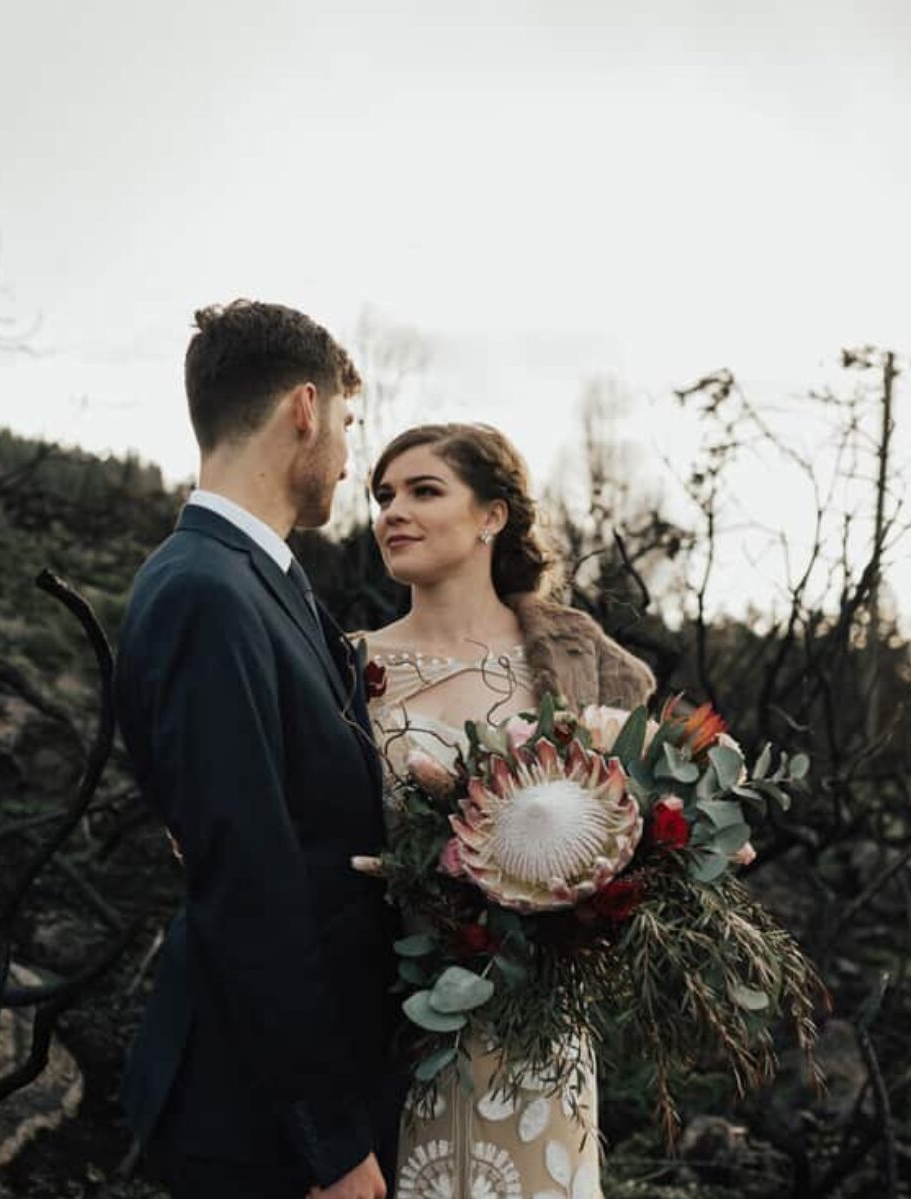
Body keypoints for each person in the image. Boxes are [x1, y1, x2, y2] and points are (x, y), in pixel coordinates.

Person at [112, 301, 401, 1199]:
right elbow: (250, 881)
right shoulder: (205, 591)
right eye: (349, 427)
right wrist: (332, 1143)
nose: (352, 462)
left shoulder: (261, 578)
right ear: (305, 410)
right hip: (254, 1121)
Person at [356, 422, 655, 1199]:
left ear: (493, 515)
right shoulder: (348, 664)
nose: (393, 511)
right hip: (392, 1013)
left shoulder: (572, 659)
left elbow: (635, 824)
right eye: (384, 495)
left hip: (537, 1030)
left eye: (424, 491)